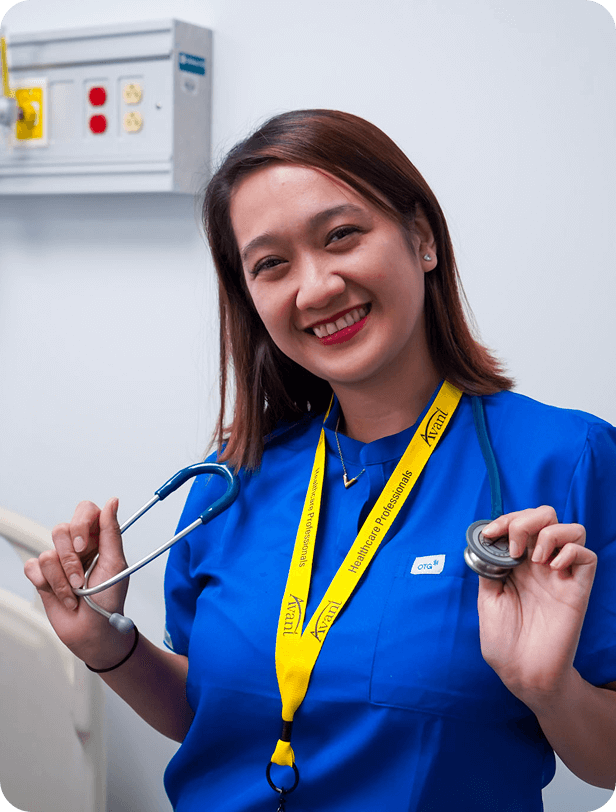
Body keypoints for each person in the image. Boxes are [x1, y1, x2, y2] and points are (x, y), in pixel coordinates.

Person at [24, 109, 616, 812]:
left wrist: (551, 690)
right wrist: (107, 644)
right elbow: (217, 715)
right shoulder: (231, 480)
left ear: (421, 238)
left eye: (342, 236)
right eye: (271, 264)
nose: (316, 287)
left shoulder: (565, 462)